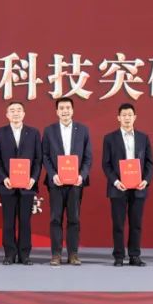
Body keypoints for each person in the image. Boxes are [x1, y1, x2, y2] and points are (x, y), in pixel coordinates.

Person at [101, 102, 153, 267]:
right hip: (118, 188)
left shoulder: (143, 138)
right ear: (118, 118)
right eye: (124, 115)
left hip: (138, 188)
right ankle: (118, 256)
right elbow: (106, 164)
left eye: (130, 115)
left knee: (136, 224)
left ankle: (134, 255)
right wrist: (116, 182)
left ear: (135, 117)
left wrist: (145, 180)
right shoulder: (110, 138)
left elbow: (149, 163)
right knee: (118, 224)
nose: (127, 118)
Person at [41, 97, 92, 266]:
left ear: (73, 110)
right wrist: (52, 174)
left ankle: (73, 254)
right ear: (57, 111)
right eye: (61, 108)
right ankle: (56, 254)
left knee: (74, 218)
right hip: (56, 182)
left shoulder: (83, 130)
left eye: (68, 108)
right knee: (55, 218)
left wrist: (82, 176)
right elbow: (45, 155)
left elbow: (88, 157)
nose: (65, 111)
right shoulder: (49, 130)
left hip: (76, 182)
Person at [0, 101, 42, 265]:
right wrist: (3, 178)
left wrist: (33, 178)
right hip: (7, 185)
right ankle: (9, 254)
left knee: (25, 222)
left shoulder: (33, 133)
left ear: (24, 114)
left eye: (19, 110)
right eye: (12, 110)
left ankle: (25, 254)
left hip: (27, 185)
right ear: (7, 115)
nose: (16, 113)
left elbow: (38, 159)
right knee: (8, 222)